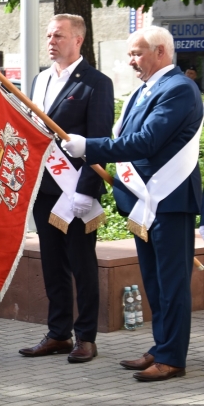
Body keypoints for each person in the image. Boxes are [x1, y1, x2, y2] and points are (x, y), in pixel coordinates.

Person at [63, 26, 203, 382]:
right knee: (155, 283)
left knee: (172, 285)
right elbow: (128, 137)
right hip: (145, 200)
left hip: (168, 201)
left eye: (137, 53)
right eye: (129, 54)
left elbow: (146, 141)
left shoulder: (179, 89)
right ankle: (161, 346)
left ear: (161, 52)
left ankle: (172, 358)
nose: (131, 61)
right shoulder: (145, 90)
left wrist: (89, 147)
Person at [19, 15, 114, 364]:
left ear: (78, 40)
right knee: (52, 264)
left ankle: (85, 337)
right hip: (45, 188)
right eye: (48, 36)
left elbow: (99, 140)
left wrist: (86, 190)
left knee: (81, 264)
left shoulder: (96, 83)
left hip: (76, 190)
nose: (51, 41)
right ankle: (58, 333)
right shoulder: (40, 80)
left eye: (58, 36)